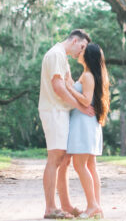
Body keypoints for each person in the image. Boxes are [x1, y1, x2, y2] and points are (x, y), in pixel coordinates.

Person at [39, 30, 93, 220]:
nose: (82, 52)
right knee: (55, 158)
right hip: (54, 111)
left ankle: (66, 205)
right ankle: (50, 208)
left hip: (62, 112)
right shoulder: (55, 54)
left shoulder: (62, 57)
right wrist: (80, 106)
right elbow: (58, 87)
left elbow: (69, 83)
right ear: (75, 40)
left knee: (64, 160)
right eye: (82, 47)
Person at [64, 43, 109, 219]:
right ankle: (96, 206)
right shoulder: (88, 75)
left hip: (84, 124)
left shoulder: (88, 76)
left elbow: (85, 100)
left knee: (80, 165)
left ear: (88, 55)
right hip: (88, 123)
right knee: (90, 166)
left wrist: (68, 88)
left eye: (82, 50)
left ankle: (92, 205)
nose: (79, 52)